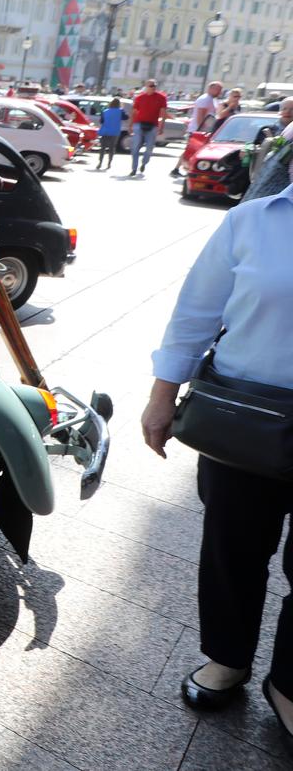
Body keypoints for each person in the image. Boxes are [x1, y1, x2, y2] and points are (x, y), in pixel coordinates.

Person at [141, 176, 293, 731]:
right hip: (243, 420)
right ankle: (227, 658)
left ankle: (290, 683)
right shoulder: (253, 221)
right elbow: (195, 314)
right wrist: (163, 397)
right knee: (233, 548)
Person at [129, 78, 168, 177]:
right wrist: (130, 125)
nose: (153, 87)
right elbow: (134, 112)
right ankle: (134, 168)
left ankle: (144, 163)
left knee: (149, 148)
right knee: (135, 146)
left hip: (152, 125)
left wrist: (161, 126)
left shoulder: (161, 98)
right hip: (139, 123)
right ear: (146, 87)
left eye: (155, 86)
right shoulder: (139, 98)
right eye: (151, 86)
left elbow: (163, 113)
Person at [94, 97, 126, 170]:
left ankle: (100, 163)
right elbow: (125, 117)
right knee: (112, 148)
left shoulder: (105, 111)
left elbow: (101, 121)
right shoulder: (120, 111)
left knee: (102, 148)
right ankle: (109, 163)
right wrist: (122, 109)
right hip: (115, 132)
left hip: (105, 131)